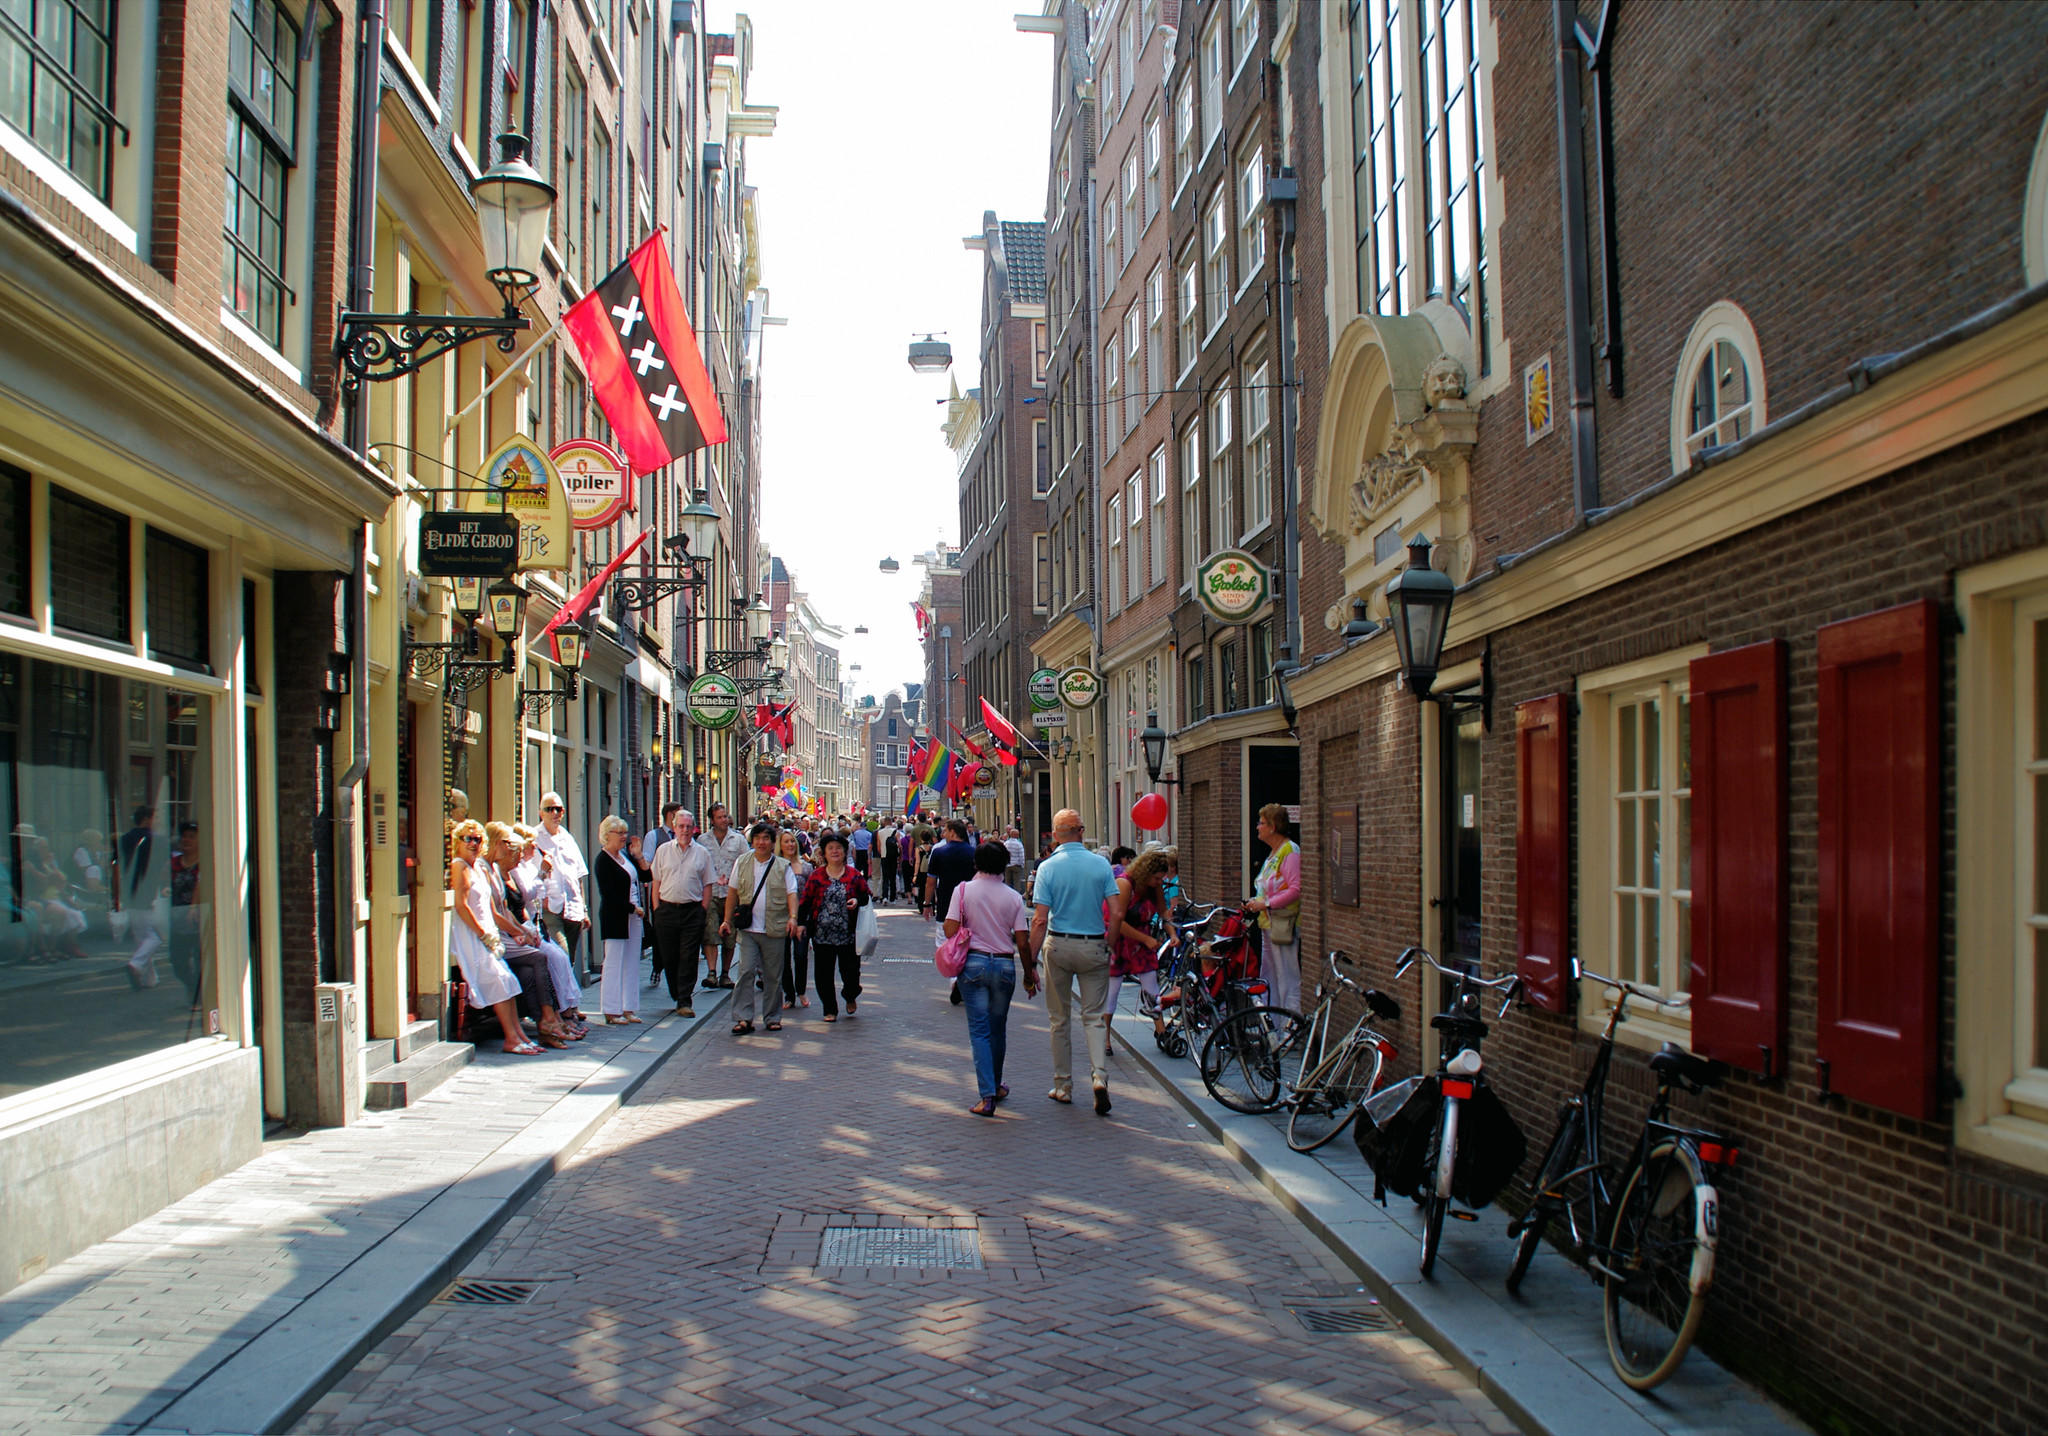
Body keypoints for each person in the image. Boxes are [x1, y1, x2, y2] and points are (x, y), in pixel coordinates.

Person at [1029, 808, 1124, 1114]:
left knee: (1059, 1019)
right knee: (1094, 1017)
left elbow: (1040, 920)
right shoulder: (1100, 865)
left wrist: (1031, 960)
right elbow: (1117, 912)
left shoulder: (1048, 867)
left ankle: (1063, 1085)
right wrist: (1109, 944)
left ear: (1055, 835)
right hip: (1093, 943)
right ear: (1081, 832)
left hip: (1059, 944)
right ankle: (1099, 1076)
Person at [945, 840, 1038, 1117]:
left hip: (973, 964)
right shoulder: (1012, 897)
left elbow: (950, 929)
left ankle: (987, 1096)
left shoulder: (962, 890)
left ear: (977, 863)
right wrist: (1030, 975)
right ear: (1004, 864)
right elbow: (1022, 941)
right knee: (998, 1028)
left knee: (979, 1031)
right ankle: (996, 1084)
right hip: (1004, 966)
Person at [447, 820, 544, 1054]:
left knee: (508, 980)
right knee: (499, 979)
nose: (473, 843)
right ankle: (511, 1038)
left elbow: (492, 908)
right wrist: (483, 935)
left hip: (488, 934)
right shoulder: (459, 866)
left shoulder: (478, 868)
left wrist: (517, 932)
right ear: (458, 842)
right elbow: (461, 906)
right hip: (470, 936)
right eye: (467, 839)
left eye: (477, 839)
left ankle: (519, 1035)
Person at [482, 823, 575, 1046]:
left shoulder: (494, 870)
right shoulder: (486, 869)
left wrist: (522, 930)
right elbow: (495, 912)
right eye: (508, 845)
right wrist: (519, 931)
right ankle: (548, 1019)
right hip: (492, 936)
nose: (517, 852)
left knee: (537, 966)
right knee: (540, 958)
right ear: (497, 843)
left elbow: (505, 908)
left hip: (511, 932)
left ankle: (548, 1020)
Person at [721, 822, 799, 1035]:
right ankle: (743, 1018)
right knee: (745, 972)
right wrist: (727, 920)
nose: (761, 842)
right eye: (758, 838)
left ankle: (772, 1017)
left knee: (773, 975)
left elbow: (792, 893)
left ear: (772, 843)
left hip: (774, 928)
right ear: (752, 841)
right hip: (748, 930)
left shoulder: (783, 866)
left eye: (766, 838)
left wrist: (792, 918)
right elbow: (732, 892)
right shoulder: (742, 862)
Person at [510, 826, 587, 1031]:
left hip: (536, 924)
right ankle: (559, 1015)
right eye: (530, 843)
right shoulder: (516, 869)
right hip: (527, 927)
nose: (534, 846)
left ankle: (568, 1010)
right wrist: (543, 872)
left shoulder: (526, 866)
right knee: (555, 957)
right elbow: (527, 893)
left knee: (560, 958)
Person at [797, 832, 870, 1022]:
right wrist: (801, 924)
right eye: (830, 848)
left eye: (838, 848)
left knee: (851, 973)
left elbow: (866, 896)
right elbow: (805, 902)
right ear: (824, 853)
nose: (835, 851)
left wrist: (856, 900)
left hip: (848, 934)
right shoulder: (817, 876)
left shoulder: (853, 875)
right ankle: (830, 1009)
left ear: (845, 851)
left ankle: (850, 995)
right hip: (822, 934)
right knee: (823, 974)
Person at [649, 806, 713, 1017]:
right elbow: (656, 882)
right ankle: (676, 993)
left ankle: (685, 1000)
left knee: (689, 955)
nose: (685, 830)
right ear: (674, 827)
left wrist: (702, 910)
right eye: (681, 826)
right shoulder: (663, 851)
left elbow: (707, 884)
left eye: (688, 826)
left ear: (694, 829)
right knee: (669, 956)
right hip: (667, 909)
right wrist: (657, 910)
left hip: (692, 910)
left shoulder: (702, 853)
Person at [1107, 847, 1171, 1041]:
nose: (1160, 882)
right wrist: (1146, 939)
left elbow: (1163, 911)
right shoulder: (1125, 885)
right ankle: (1105, 1036)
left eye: (1162, 878)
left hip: (1141, 939)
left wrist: (1173, 933)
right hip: (1118, 937)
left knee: (1151, 983)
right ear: (1145, 873)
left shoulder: (1154, 886)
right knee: (1112, 990)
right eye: (1157, 878)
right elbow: (1116, 920)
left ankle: (1161, 1030)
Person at [1246, 803, 1303, 1013]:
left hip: (1283, 924)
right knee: (1270, 975)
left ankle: (1291, 1027)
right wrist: (1255, 902)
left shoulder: (1290, 851)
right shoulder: (1273, 853)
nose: (1257, 827)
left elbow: (1296, 889)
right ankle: (1275, 1027)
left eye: (1261, 823)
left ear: (1272, 827)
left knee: (1287, 977)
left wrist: (1266, 903)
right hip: (1268, 924)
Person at [532, 792, 592, 982]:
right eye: (550, 809)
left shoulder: (568, 838)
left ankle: (569, 1005)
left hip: (573, 907)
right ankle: (564, 1008)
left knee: (570, 960)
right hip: (551, 908)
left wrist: (584, 910)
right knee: (561, 956)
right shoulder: (534, 839)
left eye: (559, 809)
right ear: (541, 813)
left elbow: (579, 875)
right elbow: (528, 873)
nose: (555, 813)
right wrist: (541, 901)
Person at [593, 816, 645, 1024]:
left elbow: (646, 876)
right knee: (614, 962)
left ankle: (628, 1007)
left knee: (632, 961)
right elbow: (609, 894)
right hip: (616, 916)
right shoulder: (603, 860)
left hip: (634, 917)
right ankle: (611, 1009)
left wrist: (639, 857)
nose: (624, 837)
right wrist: (632, 908)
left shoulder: (625, 856)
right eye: (619, 833)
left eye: (625, 832)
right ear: (607, 836)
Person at [695, 804, 748, 989]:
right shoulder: (702, 840)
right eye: (719, 817)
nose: (724, 820)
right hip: (710, 893)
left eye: (725, 816)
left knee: (730, 936)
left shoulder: (738, 840)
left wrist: (735, 880)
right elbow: (698, 865)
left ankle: (725, 973)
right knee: (709, 933)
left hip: (731, 895)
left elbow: (745, 864)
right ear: (712, 820)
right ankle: (711, 973)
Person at [777, 829, 813, 1009]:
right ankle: (788, 994)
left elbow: (811, 894)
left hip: (801, 918)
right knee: (783, 958)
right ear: (780, 846)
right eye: (786, 842)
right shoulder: (775, 866)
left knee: (800, 955)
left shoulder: (806, 867)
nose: (790, 845)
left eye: (792, 841)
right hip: (781, 917)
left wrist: (808, 920)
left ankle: (801, 991)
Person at [642, 802, 682, 869]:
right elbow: (647, 862)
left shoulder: (684, 835)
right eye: (681, 815)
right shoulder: (652, 836)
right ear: (671, 815)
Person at [878, 821, 900, 902]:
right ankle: (893, 897)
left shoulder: (879, 832)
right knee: (893, 877)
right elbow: (899, 845)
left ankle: (885, 896)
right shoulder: (896, 832)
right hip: (893, 857)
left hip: (884, 856)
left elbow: (878, 846)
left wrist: (882, 854)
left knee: (885, 877)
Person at [1003, 826, 1028, 893]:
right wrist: (1022, 865)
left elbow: (1003, 854)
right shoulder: (1018, 844)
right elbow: (1021, 855)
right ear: (1016, 835)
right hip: (1016, 865)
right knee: (1017, 883)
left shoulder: (1005, 844)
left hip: (1008, 865)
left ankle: (1007, 895)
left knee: (1007, 882)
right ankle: (1017, 896)